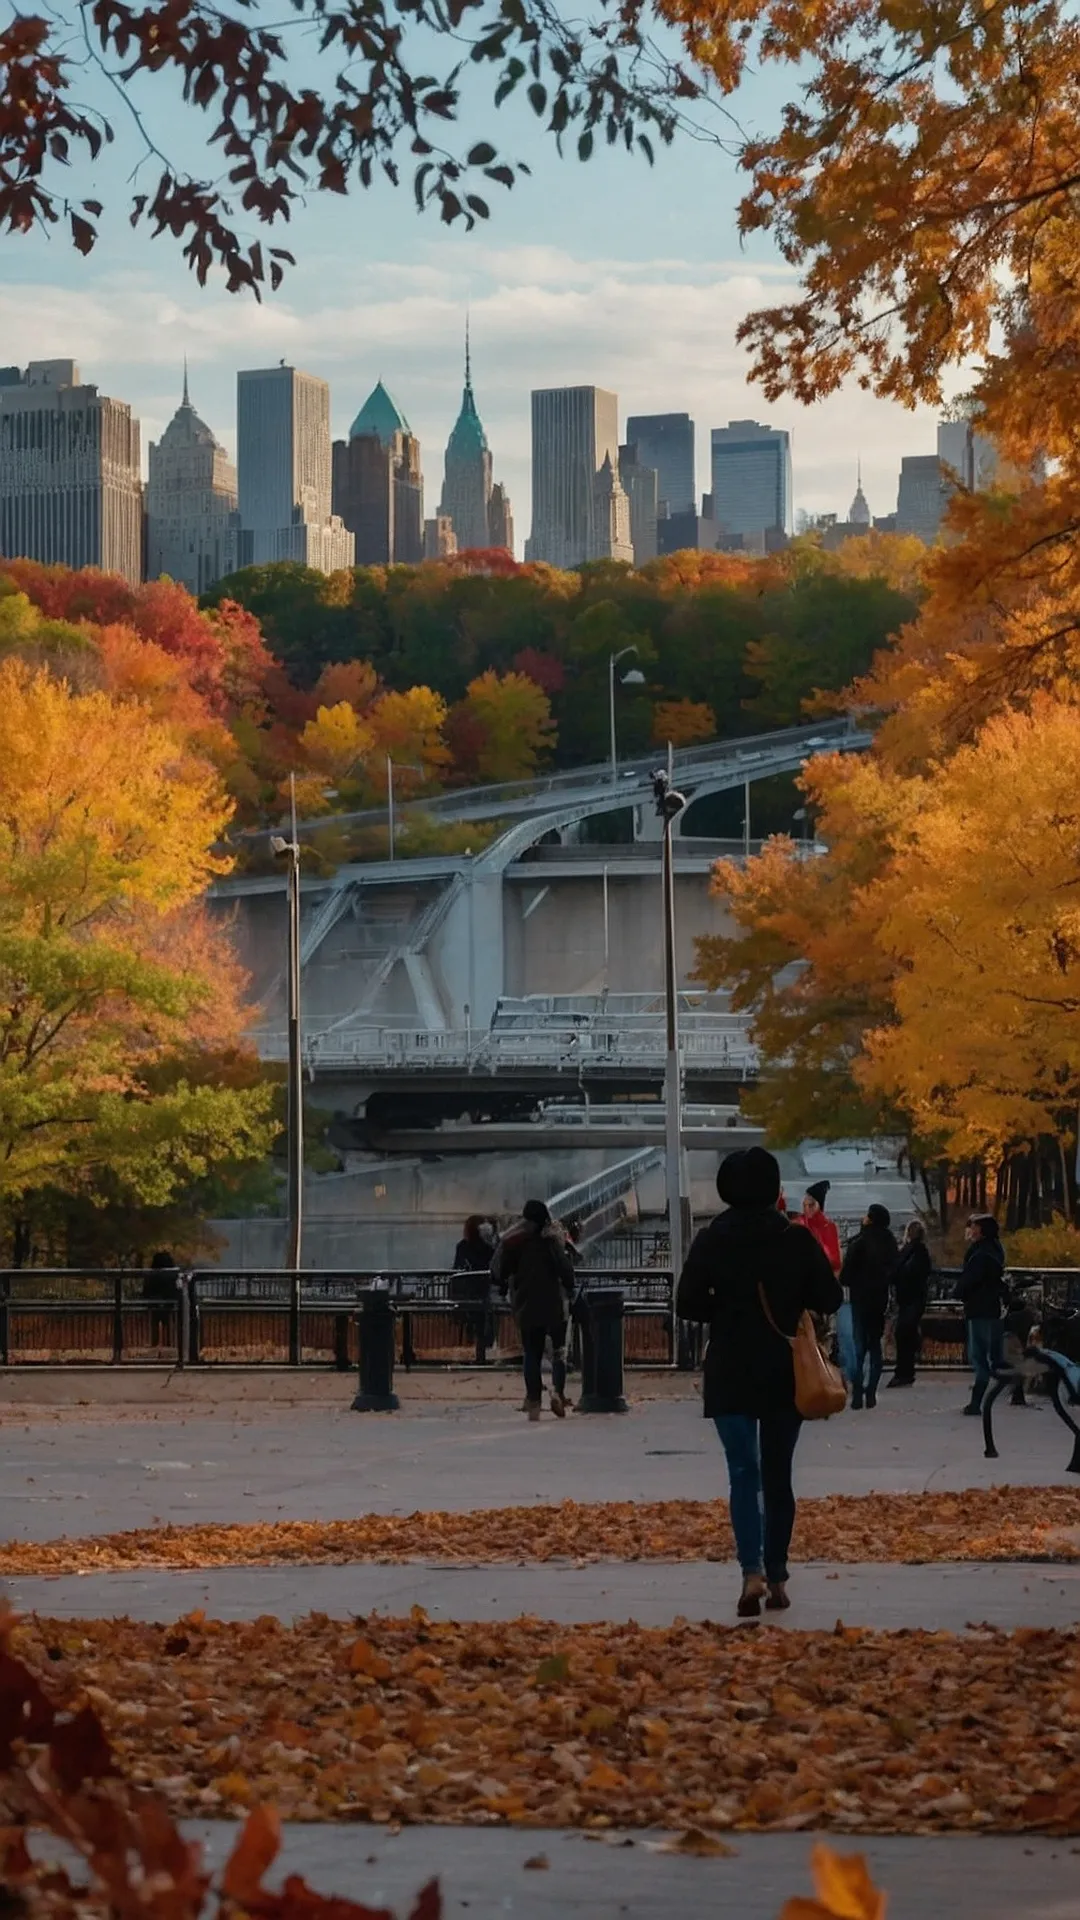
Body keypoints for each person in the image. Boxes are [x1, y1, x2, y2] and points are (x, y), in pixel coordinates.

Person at [676, 1146, 841, 1618]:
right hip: (781, 1369)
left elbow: (687, 1302)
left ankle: (751, 1572)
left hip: (729, 1366)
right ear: (773, 1188)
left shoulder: (712, 1239)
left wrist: (726, 1312)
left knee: (742, 1473)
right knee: (777, 1474)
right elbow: (829, 1297)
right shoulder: (794, 1238)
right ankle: (780, 1575)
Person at [491, 1200, 576, 1420]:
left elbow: (498, 1270)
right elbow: (566, 1271)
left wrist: (505, 1284)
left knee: (532, 1354)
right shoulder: (551, 1242)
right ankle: (558, 1390)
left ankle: (534, 1401)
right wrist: (569, 1288)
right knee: (559, 1352)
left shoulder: (514, 1242)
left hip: (526, 1305)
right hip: (554, 1304)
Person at [841, 1204, 899, 1409]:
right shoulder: (890, 1243)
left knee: (858, 1347)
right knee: (875, 1346)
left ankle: (857, 1393)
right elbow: (895, 1271)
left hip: (859, 1300)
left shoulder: (859, 1243)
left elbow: (845, 1275)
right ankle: (871, 1391)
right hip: (879, 1301)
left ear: (871, 1219)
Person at [958, 1215, 1009, 1414]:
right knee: (994, 1356)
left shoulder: (980, 1255)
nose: (971, 1230)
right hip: (993, 1308)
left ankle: (976, 1402)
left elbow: (970, 1280)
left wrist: (959, 1292)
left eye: (975, 1226)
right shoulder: (995, 1250)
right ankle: (1011, 1385)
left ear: (982, 1231)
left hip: (979, 1308)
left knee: (978, 1356)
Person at [887, 1219, 932, 1387]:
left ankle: (903, 1372)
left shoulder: (910, 1251)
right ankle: (906, 1371)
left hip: (908, 1299)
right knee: (907, 1334)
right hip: (915, 1299)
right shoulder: (921, 1252)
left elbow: (901, 1272)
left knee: (903, 1335)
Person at [797, 1181, 842, 1276]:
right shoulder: (799, 1224)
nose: (807, 1209)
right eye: (804, 1205)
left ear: (819, 1205)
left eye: (811, 1205)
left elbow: (836, 1262)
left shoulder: (829, 1226)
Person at [143, 1250, 179, 1348]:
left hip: (156, 1300)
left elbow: (147, 1288)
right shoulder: (172, 1274)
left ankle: (156, 1342)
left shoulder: (152, 1274)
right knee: (168, 1321)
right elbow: (174, 1288)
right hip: (168, 1300)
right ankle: (169, 1343)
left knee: (156, 1322)